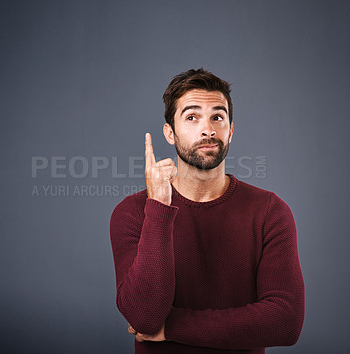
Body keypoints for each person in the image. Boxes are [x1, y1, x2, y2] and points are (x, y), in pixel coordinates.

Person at [110, 68, 304, 353]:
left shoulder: (269, 212)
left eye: (218, 117)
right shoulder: (133, 213)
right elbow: (146, 317)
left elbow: (285, 322)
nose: (208, 129)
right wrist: (159, 207)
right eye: (192, 117)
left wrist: (173, 327)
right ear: (170, 133)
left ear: (231, 130)